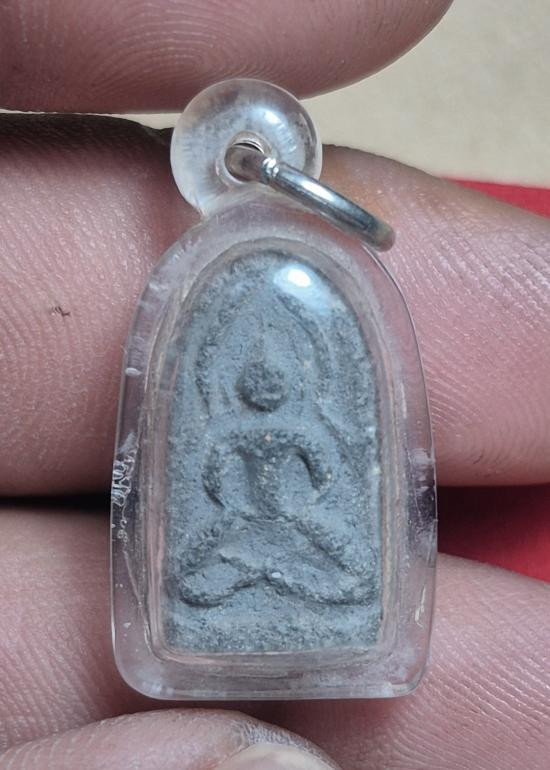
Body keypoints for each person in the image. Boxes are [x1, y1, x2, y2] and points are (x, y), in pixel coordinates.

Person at [0, 1, 548, 768]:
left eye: (274, 376)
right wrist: (233, 502)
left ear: (295, 374)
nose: (261, 386)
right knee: (194, 571)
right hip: (235, 531)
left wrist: (297, 503)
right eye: (250, 376)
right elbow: (207, 476)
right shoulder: (222, 411)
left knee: (347, 572)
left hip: (294, 530)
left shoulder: (307, 408)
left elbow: (324, 469)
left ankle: (322, 598)